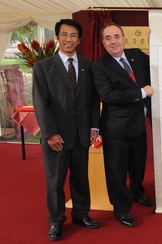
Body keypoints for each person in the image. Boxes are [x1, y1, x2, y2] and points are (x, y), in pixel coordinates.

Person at [33, 19, 100, 241]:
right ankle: (56, 221)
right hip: (57, 138)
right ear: (58, 38)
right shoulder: (43, 67)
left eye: (73, 35)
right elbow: (40, 103)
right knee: (55, 183)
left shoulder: (88, 66)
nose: (69, 39)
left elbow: (92, 100)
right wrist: (50, 133)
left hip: (81, 135)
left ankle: (81, 214)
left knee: (81, 179)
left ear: (79, 40)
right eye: (64, 34)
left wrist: (93, 126)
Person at [92, 22, 154, 227]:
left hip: (138, 125)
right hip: (116, 129)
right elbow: (109, 95)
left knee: (137, 165)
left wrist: (158, 39)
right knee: (116, 172)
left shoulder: (136, 54)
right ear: (103, 42)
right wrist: (142, 93)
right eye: (108, 38)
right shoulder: (99, 66)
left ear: (124, 38)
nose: (113, 41)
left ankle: (137, 193)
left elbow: (158, 61)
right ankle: (121, 209)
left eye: (116, 36)